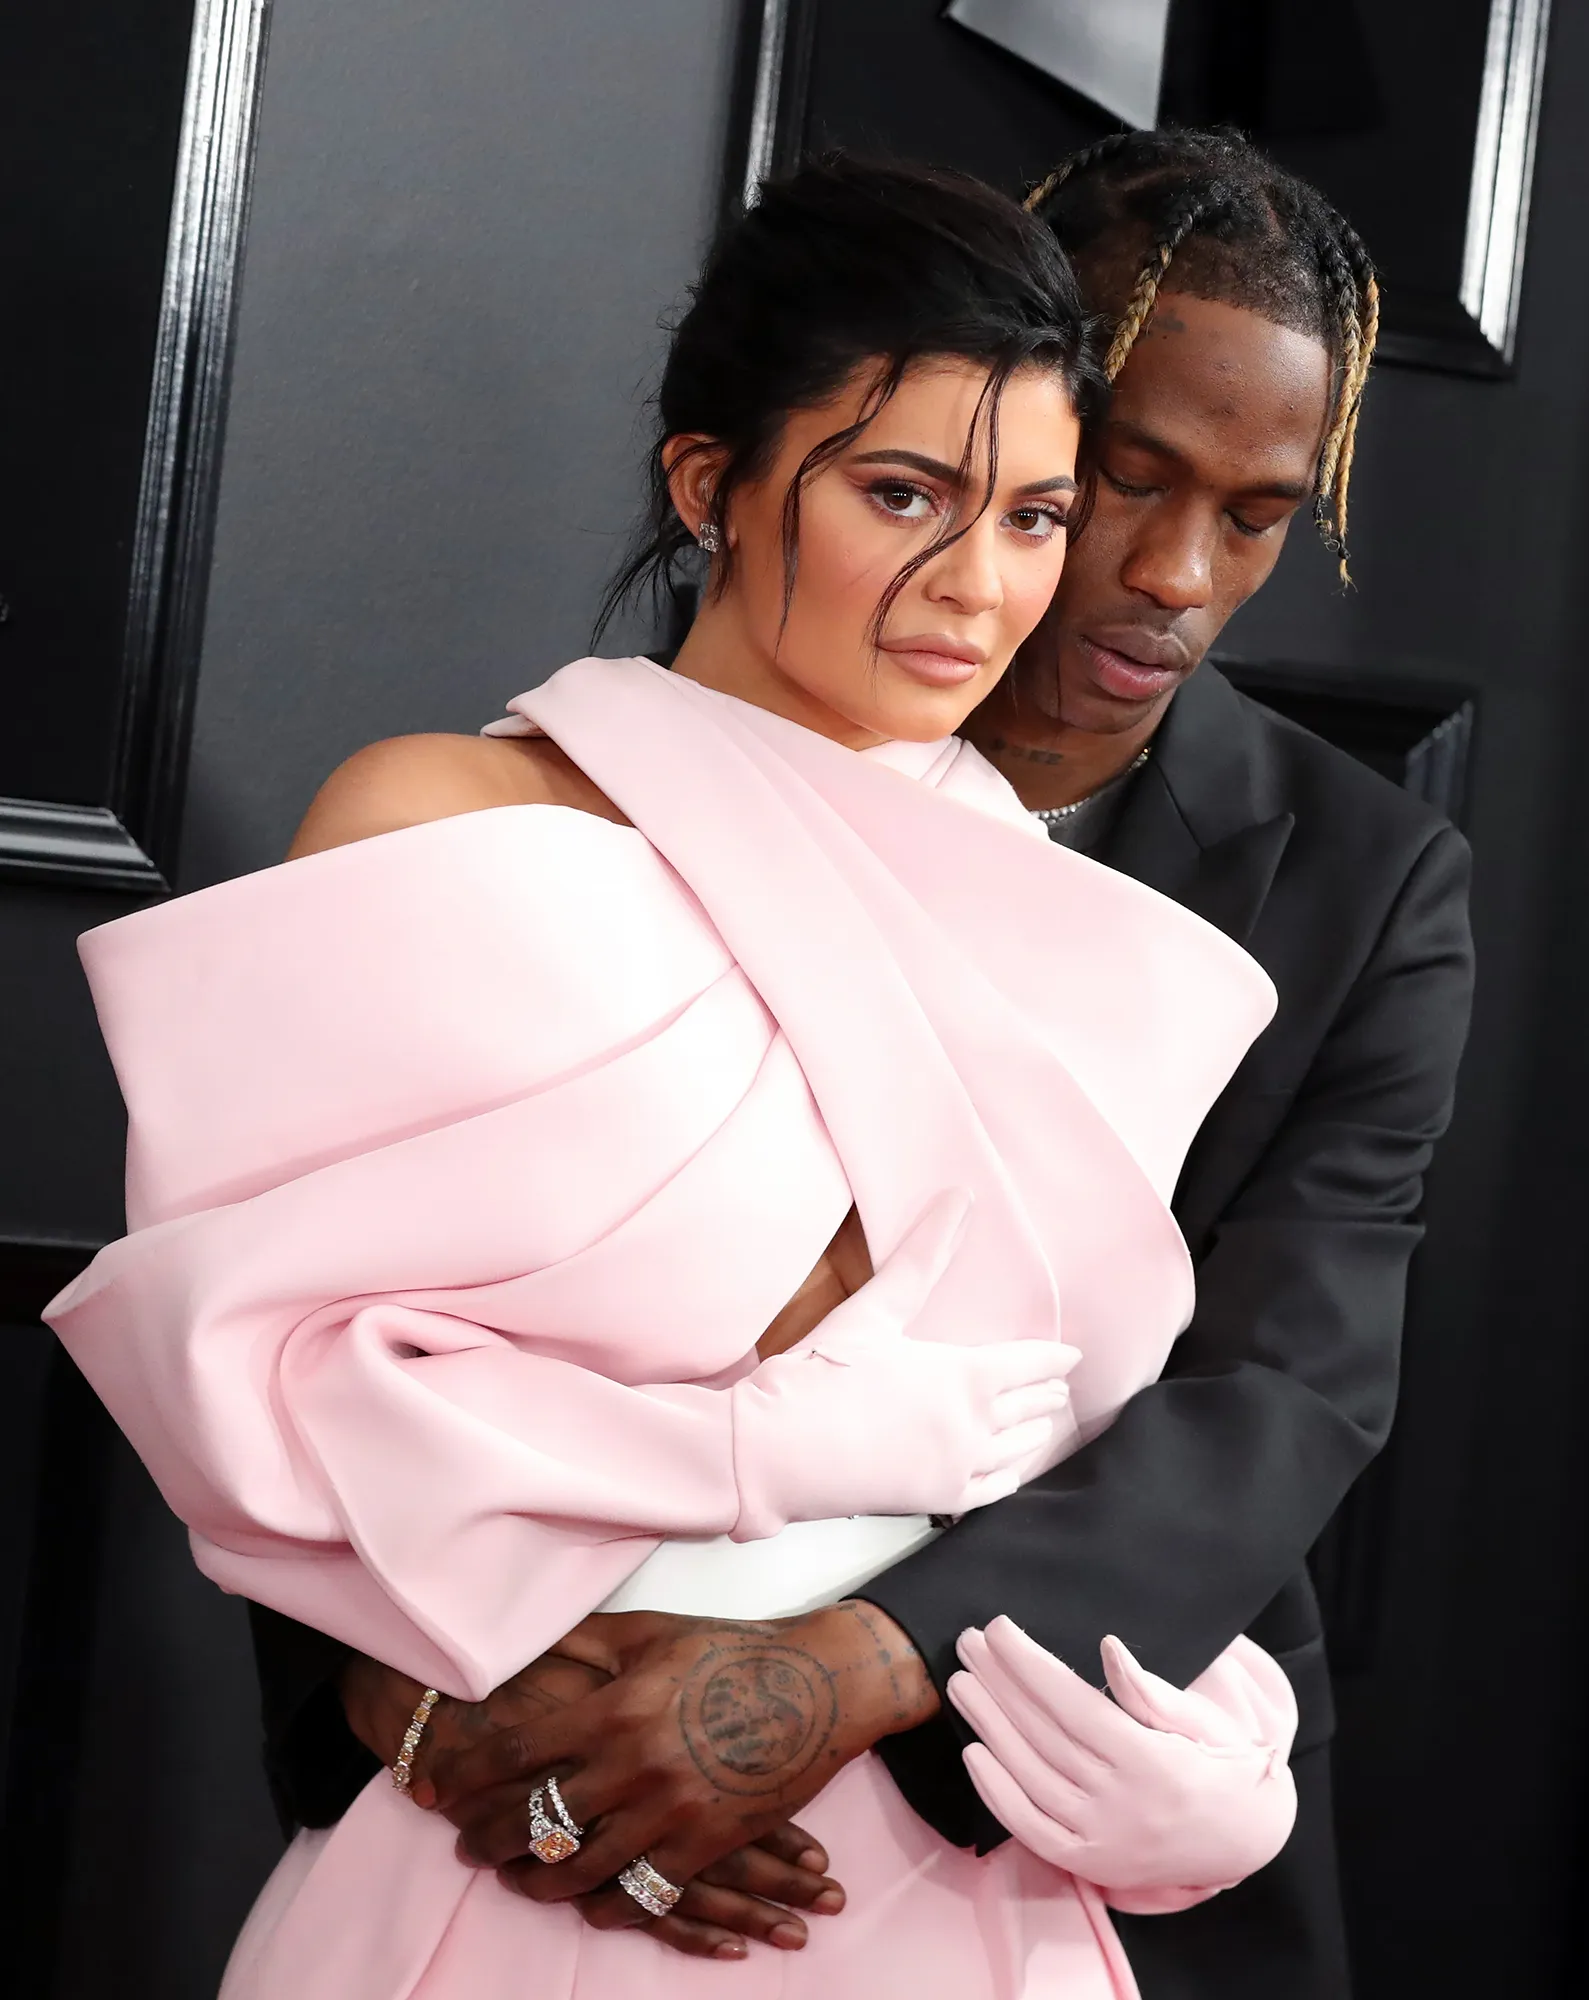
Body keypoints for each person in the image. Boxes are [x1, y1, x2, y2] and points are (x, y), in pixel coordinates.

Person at [48, 157, 1308, 2000]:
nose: (982, 588)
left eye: (1036, 517)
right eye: (902, 494)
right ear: (709, 483)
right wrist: (470, 1672)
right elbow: (263, 1386)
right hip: (516, 1847)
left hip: (951, 1880)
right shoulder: (443, 821)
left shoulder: (1072, 928)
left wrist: (1213, 1730)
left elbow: (1149, 1444)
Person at [302, 127, 1475, 2000]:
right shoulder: (567, 803)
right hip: (543, 1772)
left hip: (1079, 1765)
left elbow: (1290, 1384)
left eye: (1257, 518)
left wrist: (839, 1671)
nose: (1174, 574)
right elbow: (320, 1323)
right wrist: (417, 1690)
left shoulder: (1368, 876)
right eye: (1115, 482)